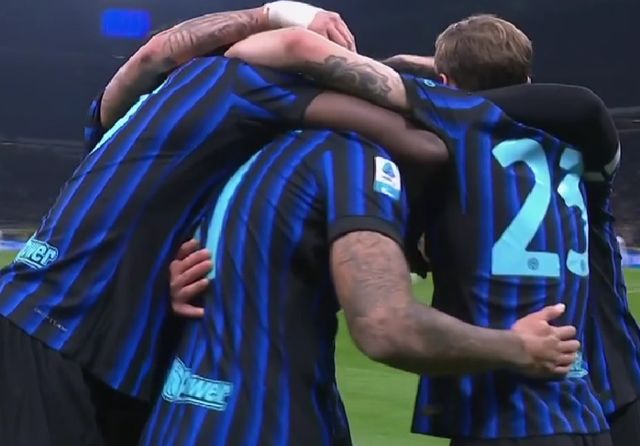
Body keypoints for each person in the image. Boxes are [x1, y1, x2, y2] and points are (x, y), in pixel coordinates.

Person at [0, 4, 441, 445]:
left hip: (59, 326)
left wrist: (270, 13)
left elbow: (156, 53)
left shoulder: (142, 111)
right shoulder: (238, 83)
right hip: (65, 332)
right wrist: (459, 109)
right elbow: (412, 138)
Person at [223, 21, 615, 445]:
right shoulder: (571, 146)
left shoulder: (456, 116)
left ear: (445, 81)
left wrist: (277, 15)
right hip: (583, 414)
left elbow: (284, 45)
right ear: (528, 77)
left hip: (508, 419)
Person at [140, 127, 579, 445]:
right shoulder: (354, 157)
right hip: (265, 424)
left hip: (180, 415)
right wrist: (519, 347)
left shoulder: (249, 153)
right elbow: (387, 326)